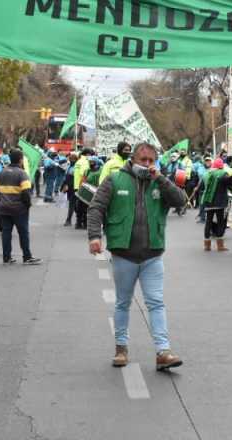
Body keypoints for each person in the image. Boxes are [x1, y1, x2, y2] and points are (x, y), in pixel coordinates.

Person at [86, 143, 187, 370]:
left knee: (156, 303)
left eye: (152, 160)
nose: (148, 164)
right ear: (133, 159)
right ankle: (121, 349)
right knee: (123, 303)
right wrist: (94, 236)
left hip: (152, 255)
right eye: (143, 160)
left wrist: (160, 178)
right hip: (124, 255)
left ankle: (163, 351)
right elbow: (96, 208)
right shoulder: (114, 180)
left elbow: (181, 201)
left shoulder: (160, 181)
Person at [0, 149, 42, 265]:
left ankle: (7, 257)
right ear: (20, 160)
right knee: (23, 232)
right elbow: (26, 192)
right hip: (19, 209)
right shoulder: (22, 174)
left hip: (4, 208)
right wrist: (27, 205)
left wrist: (1, 200)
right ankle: (27, 256)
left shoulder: (2, 172)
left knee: (6, 232)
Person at [201, 158, 232, 251]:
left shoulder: (207, 173)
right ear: (221, 166)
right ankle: (220, 245)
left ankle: (207, 245)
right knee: (220, 222)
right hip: (220, 202)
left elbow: (202, 186)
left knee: (208, 222)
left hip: (208, 201)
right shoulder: (223, 174)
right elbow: (231, 184)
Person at [72, 148, 94, 229]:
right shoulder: (85, 162)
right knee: (85, 206)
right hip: (83, 187)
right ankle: (84, 223)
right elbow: (83, 175)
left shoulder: (78, 161)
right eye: (91, 155)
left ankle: (78, 223)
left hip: (76, 185)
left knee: (79, 206)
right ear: (88, 154)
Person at [61, 152, 79, 226]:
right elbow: (66, 178)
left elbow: (74, 178)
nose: (71, 160)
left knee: (72, 204)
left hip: (74, 187)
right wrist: (63, 186)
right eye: (70, 159)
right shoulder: (69, 167)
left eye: (73, 159)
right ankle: (80, 218)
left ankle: (68, 220)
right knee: (73, 205)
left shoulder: (76, 167)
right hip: (69, 188)